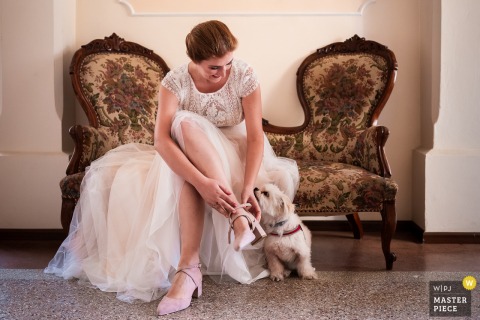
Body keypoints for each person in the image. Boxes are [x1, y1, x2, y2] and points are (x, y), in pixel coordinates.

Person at [45, 20, 299, 316]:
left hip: (235, 153)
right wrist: (203, 183)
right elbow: (162, 141)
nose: (224, 72)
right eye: (214, 68)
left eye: (228, 63)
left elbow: (256, 136)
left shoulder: (244, 75)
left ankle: (190, 269)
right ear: (194, 61)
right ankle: (232, 221)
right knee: (182, 125)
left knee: (184, 131)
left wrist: (245, 189)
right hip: (185, 153)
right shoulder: (175, 81)